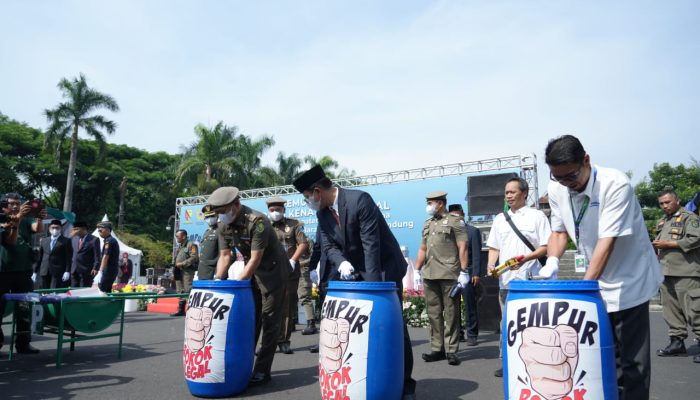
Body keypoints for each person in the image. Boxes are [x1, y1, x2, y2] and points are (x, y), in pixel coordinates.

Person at [541, 135, 662, 400]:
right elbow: (559, 232)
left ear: (586, 160)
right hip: (595, 281)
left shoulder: (614, 184)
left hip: (628, 281)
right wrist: (552, 261)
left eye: (570, 176)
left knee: (632, 364)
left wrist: (582, 290)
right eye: (557, 177)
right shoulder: (558, 187)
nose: (565, 184)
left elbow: (607, 243)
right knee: (602, 357)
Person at [292, 165, 417, 400]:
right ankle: (370, 380)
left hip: (384, 268)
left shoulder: (360, 200)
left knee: (394, 328)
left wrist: (372, 291)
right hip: (357, 269)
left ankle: (406, 385)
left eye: (308, 196)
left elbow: (371, 245)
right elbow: (329, 245)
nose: (308, 201)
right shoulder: (323, 213)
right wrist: (341, 263)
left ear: (317, 191)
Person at [210, 187, 288, 386]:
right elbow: (225, 256)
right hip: (251, 272)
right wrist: (218, 281)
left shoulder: (257, 221)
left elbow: (255, 258)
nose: (220, 216)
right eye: (217, 212)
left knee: (269, 320)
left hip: (273, 271)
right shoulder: (222, 225)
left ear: (236, 205)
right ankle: (243, 364)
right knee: (250, 319)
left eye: (223, 211)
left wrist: (239, 284)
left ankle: (262, 370)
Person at [486, 177, 551, 377]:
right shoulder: (500, 218)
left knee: (534, 324)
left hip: (532, 281)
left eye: (512, 192)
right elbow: (494, 246)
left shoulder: (537, 216)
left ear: (524, 193)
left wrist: (526, 258)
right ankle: (508, 362)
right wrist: (491, 264)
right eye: (506, 192)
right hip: (507, 282)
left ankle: (539, 363)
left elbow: (546, 246)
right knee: (507, 324)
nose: (508, 196)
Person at [414, 191, 468, 366]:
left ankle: (451, 350)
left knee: (451, 313)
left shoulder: (455, 221)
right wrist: (417, 269)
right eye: (428, 202)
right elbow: (423, 249)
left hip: (449, 273)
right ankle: (437, 349)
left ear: (441, 204)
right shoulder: (428, 223)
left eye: (431, 203)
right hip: (430, 274)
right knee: (433, 313)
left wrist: (464, 271)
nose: (428, 206)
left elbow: (463, 246)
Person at [653, 190, 700, 363]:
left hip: (686, 272)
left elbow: (696, 238)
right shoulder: (665, 221)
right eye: (662, 203)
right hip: (666, 272)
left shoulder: (689, 217)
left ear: (677, 200)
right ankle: (677, 343)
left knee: (695, 310)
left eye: (668, 202)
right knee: (671, 310)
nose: (665, 206)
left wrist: (670, 243)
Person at [0, 192, 47, 354]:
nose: (15, 206)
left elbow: (38, 229)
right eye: (11, 203)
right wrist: (16, 219)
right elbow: (10, 241)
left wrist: (40, 218)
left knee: (25, 308)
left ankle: (23, 343)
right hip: (3, 272)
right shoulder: (1, 219)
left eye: (17, 203)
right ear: (3, 205)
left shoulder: (26, 219)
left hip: (24, 270)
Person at [266, 196, 309, 355]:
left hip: (289, 271)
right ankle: (267, 343)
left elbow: (303, 244)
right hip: (269, 272)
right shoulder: (264, 225)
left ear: (284, 210)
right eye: (272, 210)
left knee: (286, 307)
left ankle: (284, 341)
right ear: (268, 211)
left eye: (278, 210)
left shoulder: (294, 224)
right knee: (267, 308)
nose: (275, 212)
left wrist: (292, 260)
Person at [448, 204, 483, 347]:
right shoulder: (448, 231)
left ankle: (472, 334)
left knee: (469, 305)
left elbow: (476, 254)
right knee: (452, 305)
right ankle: (458, 333)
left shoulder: (472, 231)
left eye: (458, 215)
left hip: (467, 273)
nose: (456, 218)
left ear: (463, 214)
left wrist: (475, 273)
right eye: (453, 216)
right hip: (451, 274)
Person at [35, 219, 73, 289]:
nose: (55, 229)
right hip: (44, 270)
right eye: (53, 227)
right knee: (43, 291)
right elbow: (40, 256)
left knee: (54, 291)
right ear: (49, 228)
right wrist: (35, 271)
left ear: (60, 229)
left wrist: (67, 271)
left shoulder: (66, 241)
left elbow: (68, 257)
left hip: (57, 271)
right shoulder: (44, 240)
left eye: (57, 228)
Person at [171, 229, 198, 317]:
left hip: (187, 272)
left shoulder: (191, 245)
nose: (177, 238)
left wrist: (183, 264)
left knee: (188, 289)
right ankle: (181, 310)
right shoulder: (180, 246)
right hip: (178, 271)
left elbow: (194, 257)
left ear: (184, 236)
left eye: (178, 236)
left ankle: (191, 310)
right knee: (180, 290)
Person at [70, 221, 100, 287]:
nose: (75, 231)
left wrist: (95, 268)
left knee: (83, 291)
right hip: (74, 270)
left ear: (83, 229)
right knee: (73, 292)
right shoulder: (73, 239)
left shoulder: (94, 240)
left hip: (86, 271)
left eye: (77, 229)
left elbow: (97, 256)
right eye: (74, 229)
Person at [93, 221, 120, 293]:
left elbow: (105, 257)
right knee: (106, 291)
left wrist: (100, 271)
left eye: (101, 228)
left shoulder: (109, 241)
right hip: (109, 270)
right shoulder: (107, 240)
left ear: (108, 230)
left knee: (102, 289)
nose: (99, 230)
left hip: (108, 270)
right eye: (98, 228)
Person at [197, 205, 220, 280]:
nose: (209, 219)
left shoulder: (220, 231)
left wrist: (219, 272)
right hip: (203, 271)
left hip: (214, 272)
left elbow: (228, 254)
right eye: (207, 217)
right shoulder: (207, 232)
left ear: (217, 216)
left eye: (212, 216)